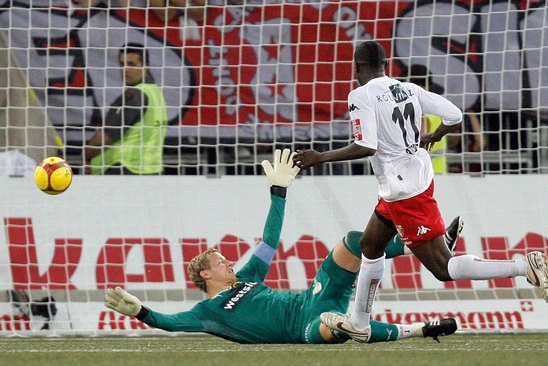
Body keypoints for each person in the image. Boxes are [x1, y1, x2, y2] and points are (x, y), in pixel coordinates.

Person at [292, 40, 548, 342]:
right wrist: (434, 135)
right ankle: (360, 322)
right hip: (409, 179)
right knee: (370, 246)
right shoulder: (408, 89)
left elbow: (367, 145)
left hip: (405, 191)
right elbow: (455, 115)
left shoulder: (360, 95)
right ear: (385, 65)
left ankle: (523, 266)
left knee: (443, 269)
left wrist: (320, 157)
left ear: (356, 66)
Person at [105, 149, 458, 344]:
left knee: (354, 242)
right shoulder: (207, 313)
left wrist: (279, 191)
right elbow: (170, 323)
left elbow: (270, 240)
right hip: (303, 328)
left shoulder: (247, 276)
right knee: (336, 325)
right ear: (204, 274)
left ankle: (423, 247)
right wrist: (140, 312)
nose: (229, 262)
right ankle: (419, 330)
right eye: (220, 260)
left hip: (313, 296)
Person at [85, 43, 168, 175]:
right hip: (151, 169)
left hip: (125, 169)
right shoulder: (156, 94)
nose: (125, 70)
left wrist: (85, 156)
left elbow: (103, 140)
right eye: (122, 64)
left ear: (145, 67)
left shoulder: (133, 95)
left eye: (131, 64)